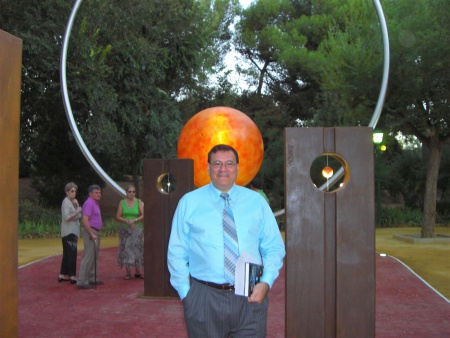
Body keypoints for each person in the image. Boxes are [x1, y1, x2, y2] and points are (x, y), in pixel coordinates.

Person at [168, 144, 285, 337]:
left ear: (238, 167)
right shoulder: (189, 202)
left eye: (229, 163)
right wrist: (186, 293)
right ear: (208, 168)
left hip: (251, 295)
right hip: (204, 298)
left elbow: (273, 247)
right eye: (217, 163)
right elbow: (176, 251)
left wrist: (266, 282)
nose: (223, 169)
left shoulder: (257, 202)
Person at [76, 184, 103, 289]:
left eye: (99, 192)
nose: (98, 194)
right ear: (90, 193)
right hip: (91, 231)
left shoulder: (95, 203)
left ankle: (92, 277)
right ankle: (82, 280)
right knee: (88, 256)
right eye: (96, 193)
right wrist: (91, 233)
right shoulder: (89, 203)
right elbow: (85, 219)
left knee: (94, 255)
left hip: (95, 231)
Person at [116, 184, 144, 279]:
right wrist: (126, 221)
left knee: (137, 248)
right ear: (126, 193)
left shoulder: (138, 202)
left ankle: (138, 271)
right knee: (126, 249)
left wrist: (134, 220)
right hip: (125, 229)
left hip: (136, 228)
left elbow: (142, 214)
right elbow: (118, 216)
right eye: (129, 192)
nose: (131, 194)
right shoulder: (122, 202)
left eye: (133, 192)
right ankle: (128, 272)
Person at [58, 182, 83, 284]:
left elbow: (79, 216)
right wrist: (77, 211)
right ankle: (72, 275)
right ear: (67, 192)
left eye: (75, 191)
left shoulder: (71, 203)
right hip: (69, 232)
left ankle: (63, 274)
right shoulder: (66, 203)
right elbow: (67, 217)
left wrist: (77, 206)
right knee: (72, 253)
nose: (74, 193)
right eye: (72, 191)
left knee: (67, 254)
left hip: (73, 231)